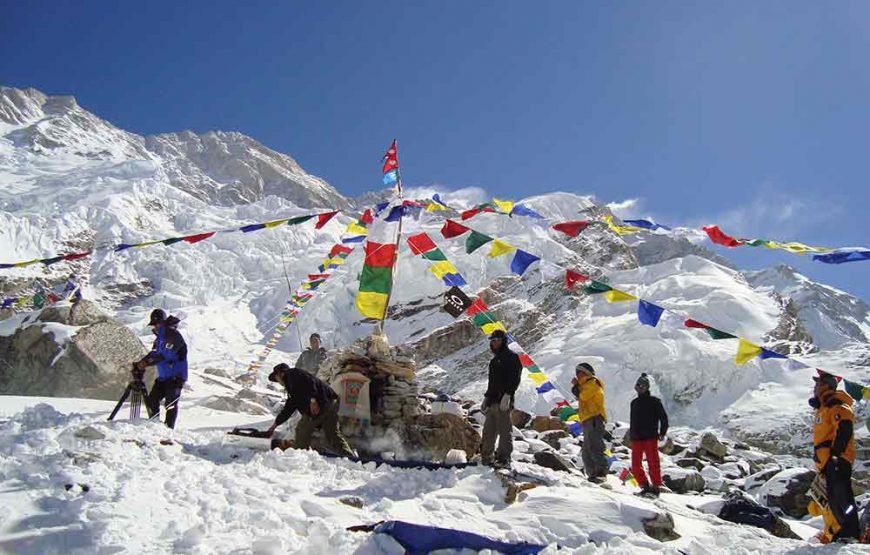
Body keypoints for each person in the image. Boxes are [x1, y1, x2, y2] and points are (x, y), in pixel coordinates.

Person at [809, 371, 859, 543]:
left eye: (818, 384)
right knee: (832, 499)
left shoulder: (837, 405)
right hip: (826, 461)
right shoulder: (823, 408)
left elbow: (844, 429)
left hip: (837, 459)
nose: (815, 387)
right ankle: (836, 533)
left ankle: (850, 533)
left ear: (826, 386)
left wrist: (836, 455)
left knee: (842, 496)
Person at [266, 363, 356, 458]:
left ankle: (299, 455)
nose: (278, 381)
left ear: (281, 373)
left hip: (321, 404)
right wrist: (274, 425)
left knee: (302, 428)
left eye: (276, 378)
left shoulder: (292, 374)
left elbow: (311, 382)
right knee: (332, 433)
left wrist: (313, 401)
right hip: (331, 403)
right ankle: (349, 456)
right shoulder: (292, 387)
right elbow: (288, 408)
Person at [136, 309, 188, 429]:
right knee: (152, 401)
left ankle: (168, 432)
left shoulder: (173, 335)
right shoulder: (160, 338)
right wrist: (141, 363)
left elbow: (164, 356)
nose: (155, 326)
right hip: (164, 377)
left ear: (163, 322)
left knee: (170, 405)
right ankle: (155, 427)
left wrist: (145, 363)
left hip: (175, 377)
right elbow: (154, 353)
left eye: (157, 323)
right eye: (154, 324)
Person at [480, 329, 522, 467]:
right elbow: (492, 383)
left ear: (503, 341)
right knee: (488, 430)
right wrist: (486, 398)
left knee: (504, 430)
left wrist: (508, 394)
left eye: (496, 340)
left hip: (504, 399)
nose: (494, 343)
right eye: (492, 341)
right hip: (492, 401)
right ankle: (486, 457)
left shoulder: (512, 357)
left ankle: (503, 458)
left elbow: (515, 378)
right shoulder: (494, 361)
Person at [629, 373, 669, 497]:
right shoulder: (634, 403)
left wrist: (662, 432)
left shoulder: (655, 402)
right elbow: (632, 420)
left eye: (642, 386)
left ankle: (656, 486)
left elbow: (663, 418)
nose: (640, 389)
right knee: (635, 464)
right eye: (637, 386)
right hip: (637, 438)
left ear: (647, 387)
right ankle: (644, 485)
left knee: (653, 462)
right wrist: (632, 435)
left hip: (650, 437)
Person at [572, 362, 608, 482]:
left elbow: (583, 396)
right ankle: (592, 474)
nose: (577, 375)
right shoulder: (585, 385)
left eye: (579, 372)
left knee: (595, 446)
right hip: (587, 418)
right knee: (587, 450)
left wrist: (576, 387)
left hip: (594, 418)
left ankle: (601, 472)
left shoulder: (593, 382)